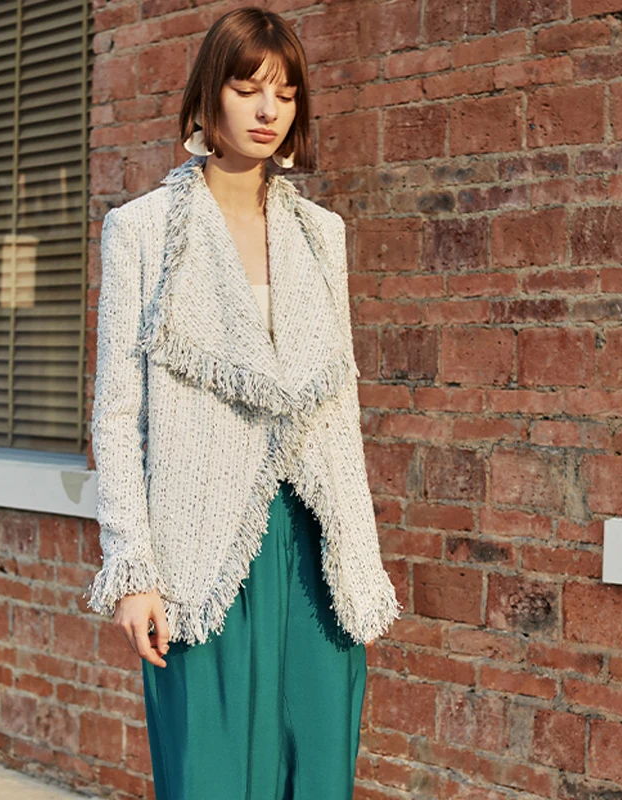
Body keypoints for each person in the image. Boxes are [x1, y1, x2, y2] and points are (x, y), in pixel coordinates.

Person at [83, 7, 403, 799]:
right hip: (202, 550)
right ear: (208, 95)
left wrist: (359, 559)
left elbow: (341, 406)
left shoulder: (321, 233)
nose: (268, 111)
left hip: (316, 546)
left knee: (317, 774)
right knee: (213, 777)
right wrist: (132, 571)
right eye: (247, 88)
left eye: (286, 95)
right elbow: (117, 416)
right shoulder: (142, 230)